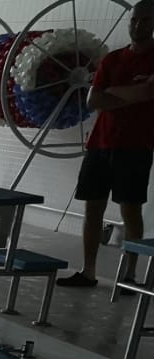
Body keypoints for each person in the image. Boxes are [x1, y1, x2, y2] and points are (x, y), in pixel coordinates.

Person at [58, 0, 154, 288]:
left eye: (145, 20)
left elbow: (148, 92)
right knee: (93, 208)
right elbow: (93, 100)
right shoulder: (113, 59)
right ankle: (88, 271)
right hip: (100, 143)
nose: (138, 25)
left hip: (136, 145)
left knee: (130, 210)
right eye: (134, 20)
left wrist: (113, 93)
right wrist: (133, 93)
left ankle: (129, 274)